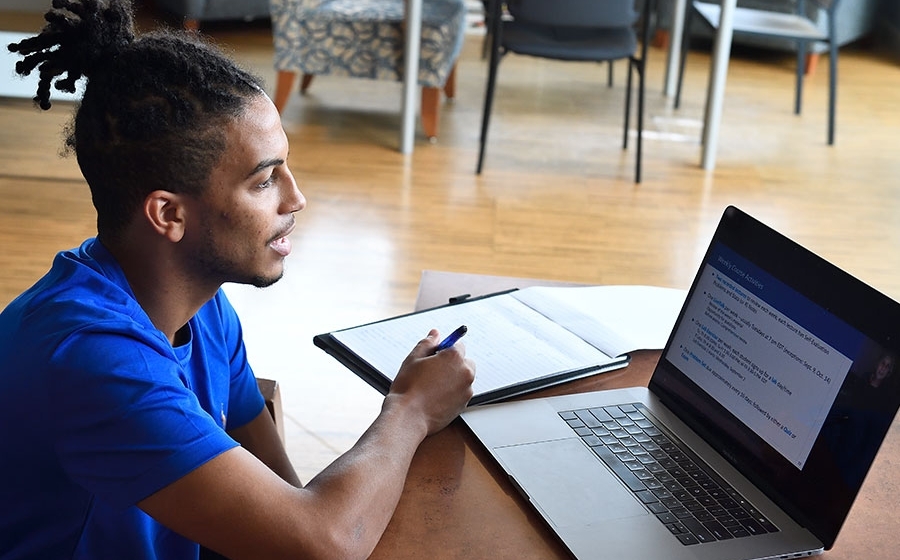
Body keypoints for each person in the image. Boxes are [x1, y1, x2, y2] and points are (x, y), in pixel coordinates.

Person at [0, 1, 475, 559]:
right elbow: (319, 543)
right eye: (264, 180)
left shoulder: (200, 307)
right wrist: (409, 409)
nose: (296, 198)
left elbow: (286, 498)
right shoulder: (92, 360)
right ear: (168, 215)